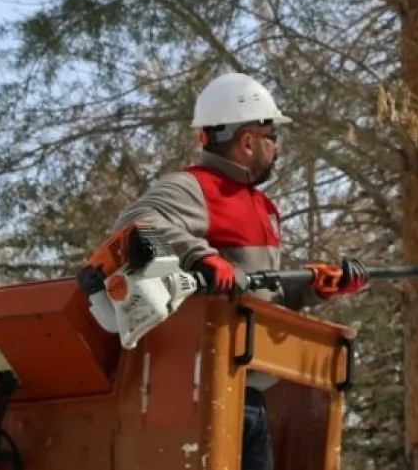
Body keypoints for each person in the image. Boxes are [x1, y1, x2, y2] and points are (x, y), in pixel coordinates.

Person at [111, 72, 369, 470]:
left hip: (251, 396)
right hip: (198, 393)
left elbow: (260, 297)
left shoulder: (262, 208)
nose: (277, 148)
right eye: (272, 137)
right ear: (247, 141)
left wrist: (315, 289)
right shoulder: (193, 187)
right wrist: (201, 256)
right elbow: (135, 224)